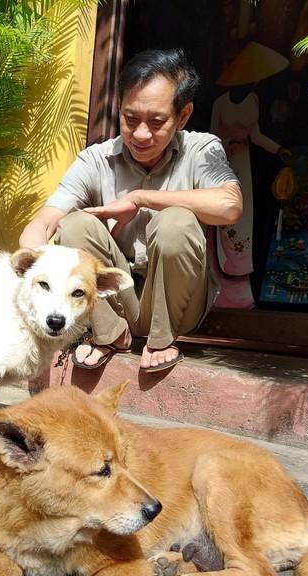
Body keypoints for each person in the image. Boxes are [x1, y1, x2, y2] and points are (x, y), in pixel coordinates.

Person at [18, 49, 243, 372]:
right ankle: (110, 333)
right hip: (115, 299)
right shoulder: (95, 160)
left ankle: (163, 338)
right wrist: (34, 267)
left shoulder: (201, 149)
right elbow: (43, 223)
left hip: (180, 303)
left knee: (175, 222)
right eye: (130, 118)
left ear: (182, 116)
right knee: (75, 225)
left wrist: (140, 198)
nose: (140, 134)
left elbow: (230, 206)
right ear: (118, 108)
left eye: (156, 122)